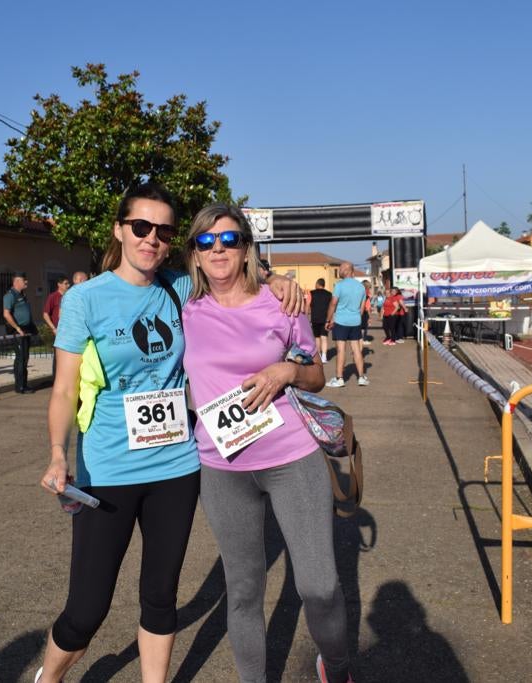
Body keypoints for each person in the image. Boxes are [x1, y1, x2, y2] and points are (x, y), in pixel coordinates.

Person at [36, 183, 303, 683]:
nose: (151, 240)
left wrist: (276, 276)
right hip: (110, 467)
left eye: (163, 231)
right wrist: (57, 454)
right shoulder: (86, 300)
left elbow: (231, 274)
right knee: (86, 610)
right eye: (141, 227)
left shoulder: (179, 286)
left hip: (177, 465)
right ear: (119, 230)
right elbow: (63, 389)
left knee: (160, 596)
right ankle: (48, 677)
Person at [182, 202, 353, 683]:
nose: (218, 249)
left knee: (319, 586)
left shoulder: (283, 302)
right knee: (243, 590)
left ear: (246, 249)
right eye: (206, 241)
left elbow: (317, 375)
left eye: (230, 239)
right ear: (194, 254)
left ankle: (336, 666)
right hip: (221, 467)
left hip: (290, 457)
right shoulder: (185, 309)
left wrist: (288, 370)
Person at [325, 262, 368, 387]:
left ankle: (339, 379)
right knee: (356, 349)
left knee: (341, 350)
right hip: (355, 321)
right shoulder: (361, 287)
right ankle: (361, 377)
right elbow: (362, 307)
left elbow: (333, 303)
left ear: (347, 270)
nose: (339, 270)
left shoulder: (339, 285)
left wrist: (328, 320)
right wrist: (356, 318)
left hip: (341, 321)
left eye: (341, 269)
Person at [3, 272, 38, 394]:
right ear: (17, 282)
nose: (26, 282)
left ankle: (23, 383)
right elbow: (6, 314)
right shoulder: (10, 295)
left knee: (25, 358)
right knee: (21, 358)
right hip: (18, 331)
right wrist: (17, 328)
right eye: (24, 280)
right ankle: (20, 386)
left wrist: (32, 326)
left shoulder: (22, 295)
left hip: (26, 330)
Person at [43, 275, 71, 376]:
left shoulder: (70, 296)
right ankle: (56, 380)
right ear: (59, 284)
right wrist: (53, 328)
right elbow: (45, 314)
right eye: (66, 283)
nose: (68, 285)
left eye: (68, 283)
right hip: (59, 331)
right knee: (58, 357)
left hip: (69, 331)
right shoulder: (53, 297)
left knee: (68, 356)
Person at [309, 277, 332, 363]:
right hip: (325, 319)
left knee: (317, 338)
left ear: (318, 284)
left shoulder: (312, 293)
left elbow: (308, 305)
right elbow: (331, 307)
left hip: (315, 318)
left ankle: (318, 355)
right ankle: (324, 357)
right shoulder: (329, 294)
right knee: (324, 338)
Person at [359, 280, 372, 345]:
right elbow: (368, 306)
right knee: (364, 327)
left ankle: (360, 339)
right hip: (364, 311)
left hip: (358, 310)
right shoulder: (367, 293)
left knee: (360, 326)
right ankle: (363, 339)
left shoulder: (358, 291)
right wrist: (370, 317)